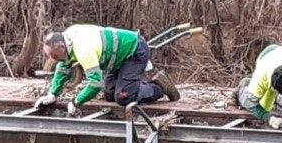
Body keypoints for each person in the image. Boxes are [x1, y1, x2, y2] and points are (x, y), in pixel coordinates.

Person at [36, 25, 180, 115]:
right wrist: (52, 94)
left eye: (54, 55)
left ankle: (160, 86)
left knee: (124, 97)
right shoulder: (67, 39)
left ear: (61, 46)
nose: (54, 60)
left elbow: (94, 84)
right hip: (117, 58)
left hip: (134, 51)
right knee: (110, 94)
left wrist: (76, 102)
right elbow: (63, 67)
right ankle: (134, 85)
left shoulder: (83, 49)